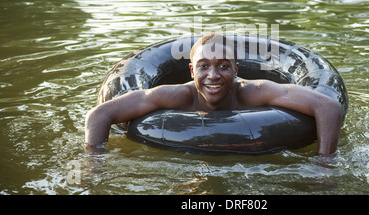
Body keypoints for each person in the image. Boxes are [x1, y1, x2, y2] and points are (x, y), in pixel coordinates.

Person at [85, 33, 343, 156]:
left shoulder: (255, 92)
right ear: (191, 70)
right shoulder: (177, 96)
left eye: (223, 66)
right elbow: (100, 114)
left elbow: (328, 107)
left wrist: (324, 165)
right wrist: (94, 162)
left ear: (236, 69)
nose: (213, 76)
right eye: (204, 66)